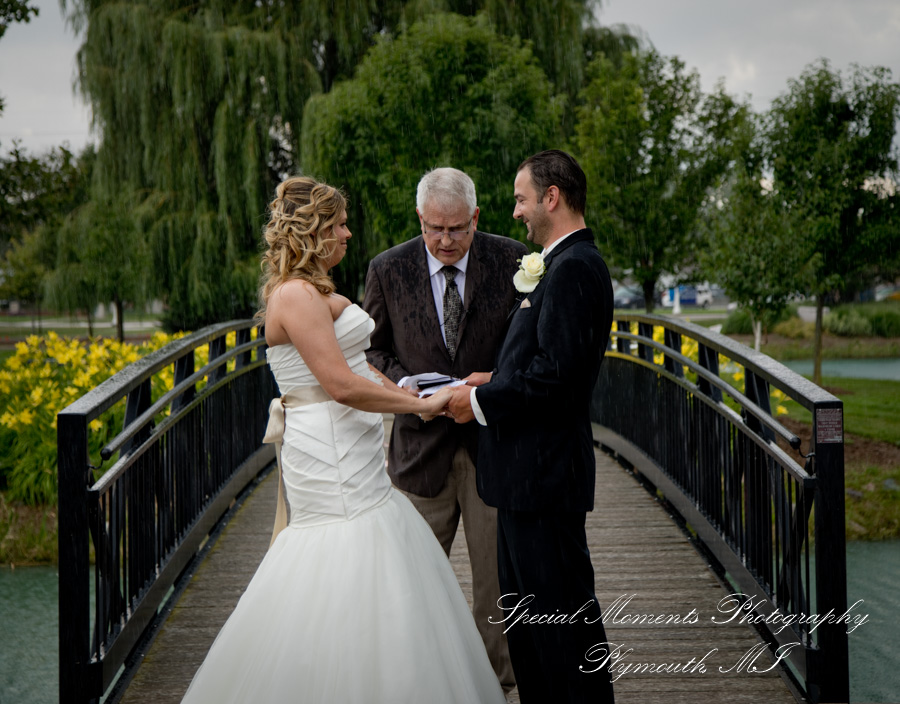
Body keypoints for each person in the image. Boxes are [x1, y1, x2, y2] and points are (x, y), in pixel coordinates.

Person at [180, 176, 505, 704]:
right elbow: (341, 386)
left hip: (358, 456)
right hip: (329, 456)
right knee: (340, 557)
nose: (348, 234)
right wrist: (421, 406)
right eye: (339, 225)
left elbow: (360, 367)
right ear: (312, 232)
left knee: (380, 555)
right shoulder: (295, 296)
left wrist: (404, 390)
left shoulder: (315, 291)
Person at [447, 150, 616, 703]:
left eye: (522, 199)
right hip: (524, 483)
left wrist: (478, 400)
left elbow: (557, 380)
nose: (516, 211)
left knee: (563, 644)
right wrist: (496, 376)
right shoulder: (559, 264)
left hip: (544, 481)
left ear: (552, 197)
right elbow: (546, 360)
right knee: (531, 642)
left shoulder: (576, 269)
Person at [363, 167, 527, 692]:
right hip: (418, 451)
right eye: (435, 228)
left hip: (493, 447)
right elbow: (371, 351)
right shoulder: (387, 269)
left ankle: (497, 688)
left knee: (496, 587)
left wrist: (494, 383)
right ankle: (415, 687)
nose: (446, 240)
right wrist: (404, 387)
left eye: (457, 228)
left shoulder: (514, 262)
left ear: (475, 217)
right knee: (410, 586)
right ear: (420, 218)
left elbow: (530, 347)